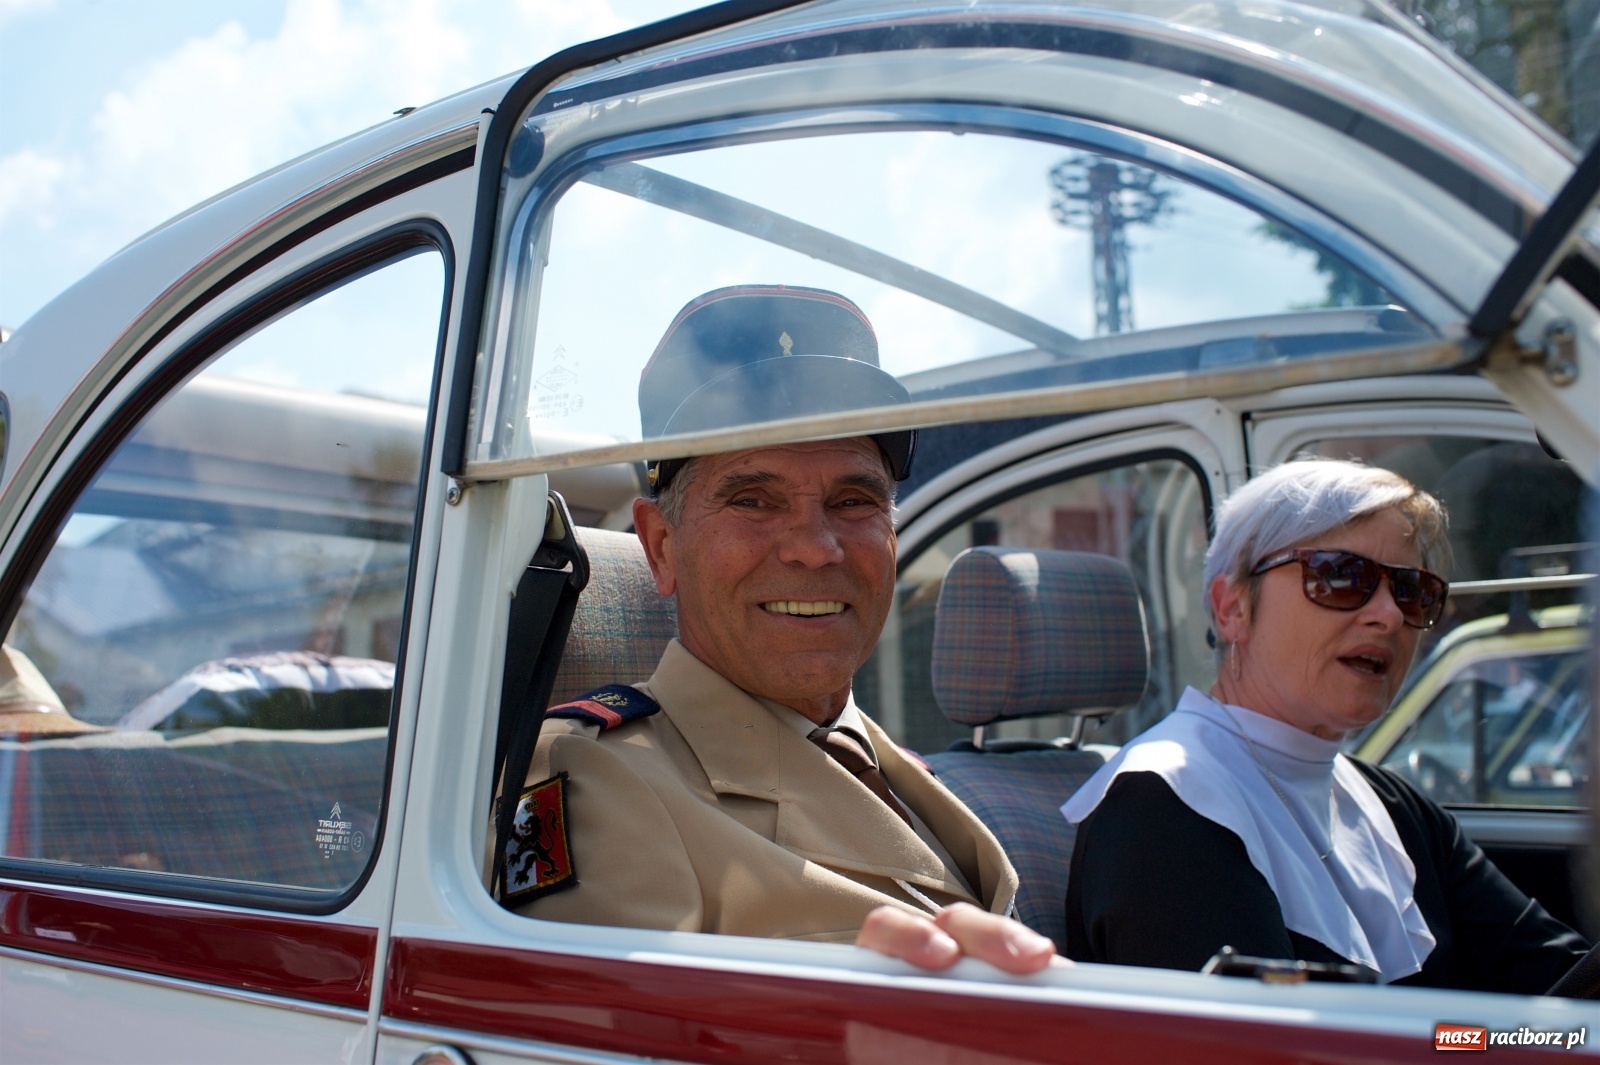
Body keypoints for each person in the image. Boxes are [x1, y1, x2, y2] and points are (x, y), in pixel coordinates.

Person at [501, 285, 1019, 943]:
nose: (816, 547)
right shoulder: (589, 781)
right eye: (752, 500)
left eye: (854, 500)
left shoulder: (907, 775)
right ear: (661, 546)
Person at [1058, 457, 1588, 993]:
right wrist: (1477, 1037)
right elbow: (1261, 1036)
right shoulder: (1163, 804)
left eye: (1412, 591)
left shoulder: (1393, 806)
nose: (1389, 615)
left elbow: (1564, 982)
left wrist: (1485, 1037)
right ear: (1232, 608)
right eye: (1341, 576)